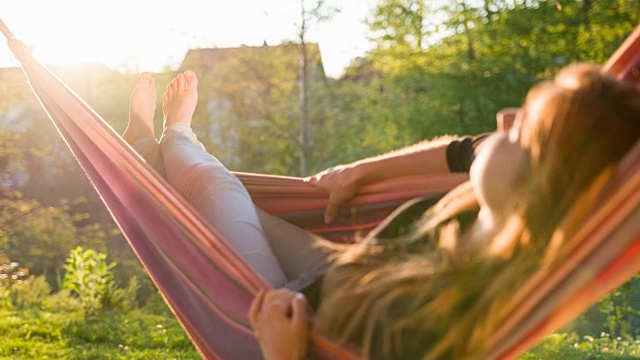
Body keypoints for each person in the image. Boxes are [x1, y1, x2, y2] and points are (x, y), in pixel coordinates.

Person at [124, 64, 640, 359]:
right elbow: (464, 149)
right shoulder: (490, 207)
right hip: (335, 273)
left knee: (216, 189)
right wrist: (359, 172)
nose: (504, 119)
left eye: (523, 129)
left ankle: (173, 135)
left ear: (543, 186)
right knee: (221, 197)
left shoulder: (436, 324)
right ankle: (148, 147)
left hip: (285, 320)